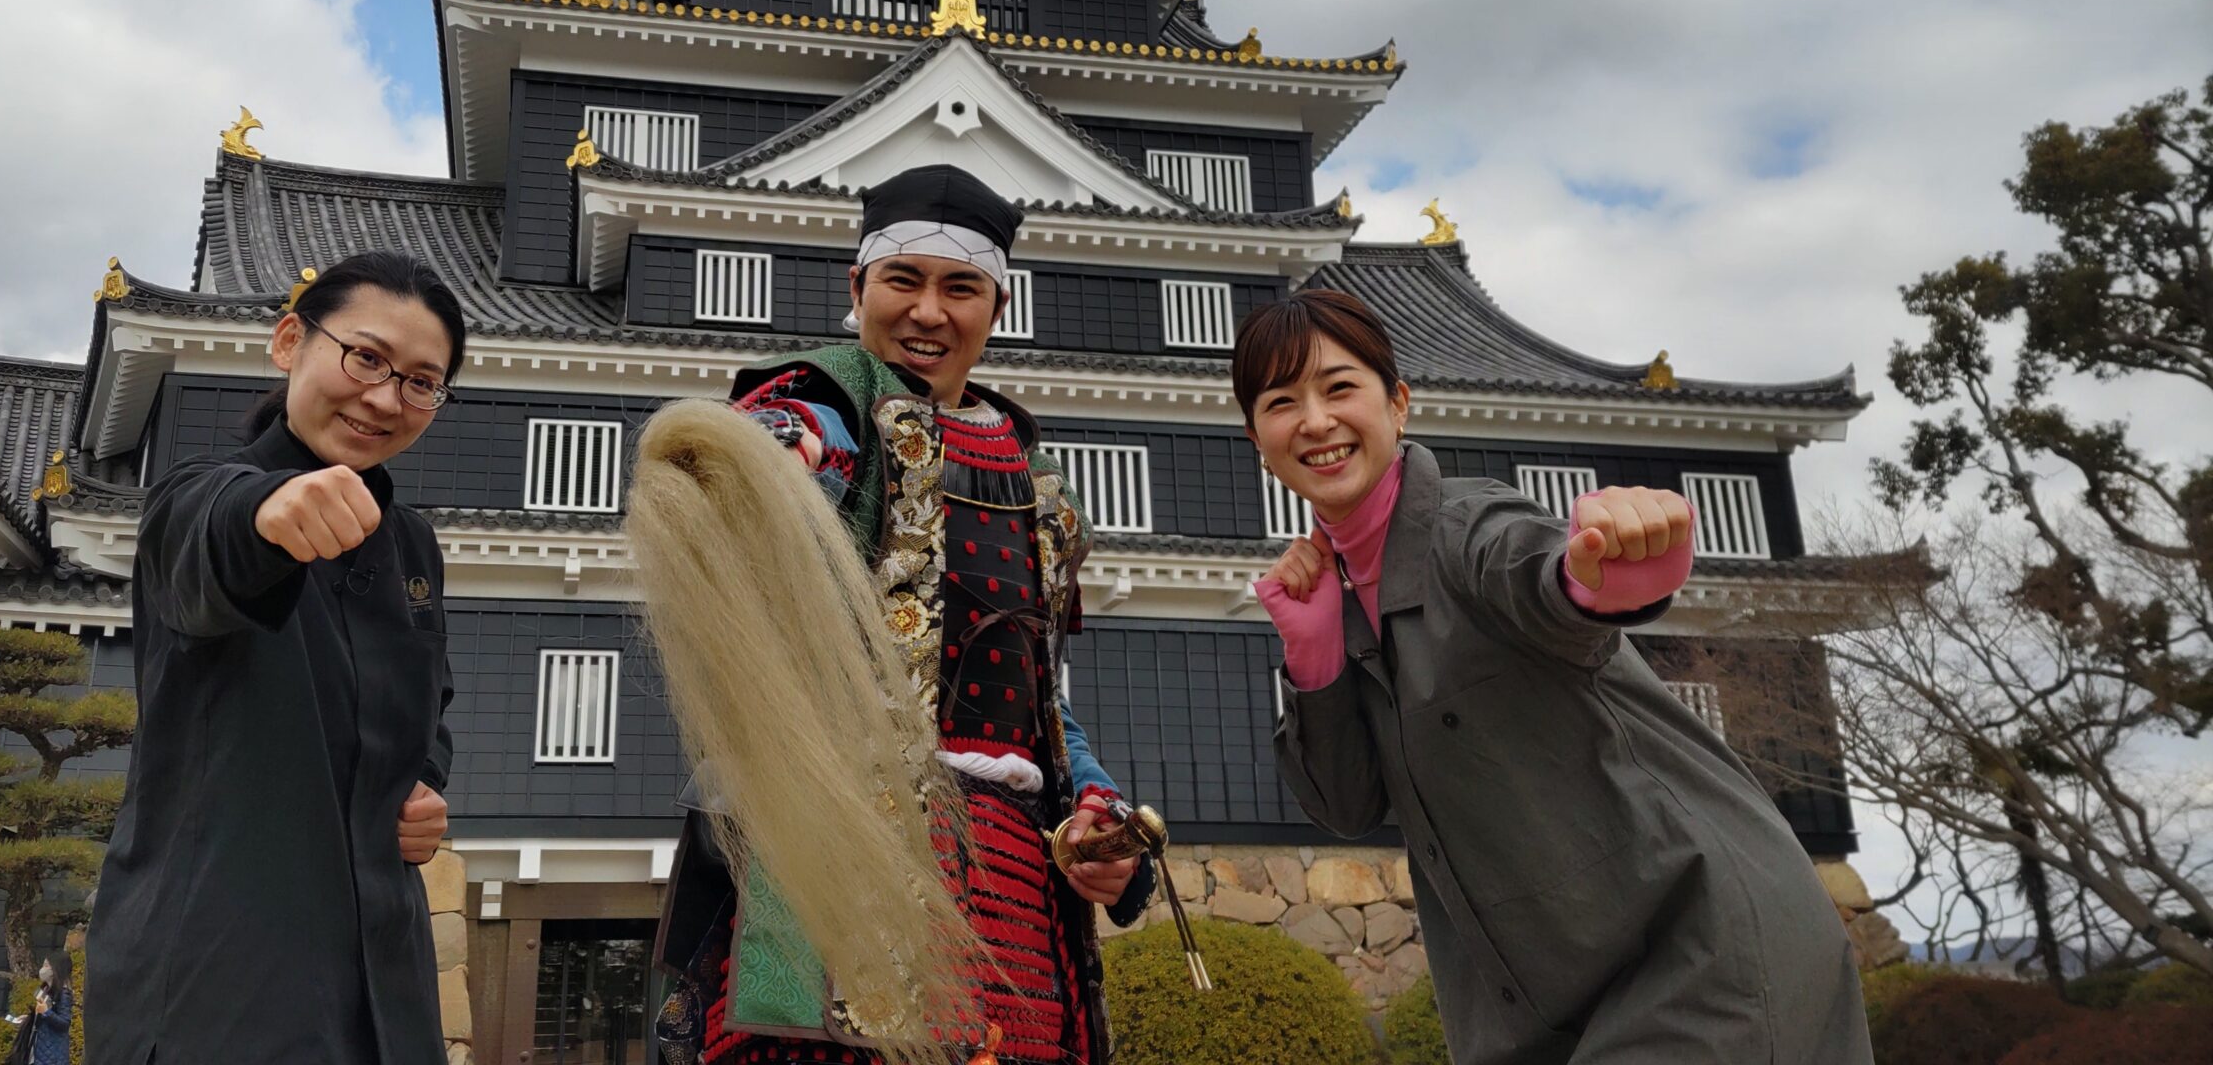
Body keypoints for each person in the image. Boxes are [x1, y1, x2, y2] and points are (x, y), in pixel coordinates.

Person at [1243, 289, 1869, 1063]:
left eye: (1340, 388)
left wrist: (1604, 575)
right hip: (1539, 1004)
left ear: (1398, 405)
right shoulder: (1335, 595)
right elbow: (1346, 806)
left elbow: (1540, 577)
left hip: (1699, 949)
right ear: (1255, 440)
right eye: (1282, 402)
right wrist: (1314, 660)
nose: (1314, 420)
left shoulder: (1467, 527)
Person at [637, 163, 1160, 1065]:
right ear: (858, 288)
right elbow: (776, 450)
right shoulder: (829, 400)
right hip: (842, 847)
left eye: (959, 286)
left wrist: (1095, 814)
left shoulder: (1036, 481)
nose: (928, 312)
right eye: (902, 280)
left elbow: (1035, 696)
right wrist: (765, 463)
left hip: (1014, 886)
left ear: (997, 303)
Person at [87, 251, 466, 1065]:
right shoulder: (197, 495)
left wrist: (424, 784)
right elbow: (206, 543)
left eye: (421, 381)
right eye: (365, 357)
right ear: (291, 341)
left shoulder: (413, 545)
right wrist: (269, 509)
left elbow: (427, 705)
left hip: (385, 980)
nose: (384, 397)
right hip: (221, 979)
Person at [5, 954, 74, 1065]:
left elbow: (65, 1023)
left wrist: (46, 1012)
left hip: (52, 1054)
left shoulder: (63, 994)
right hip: (38, 1048)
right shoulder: (45, 990)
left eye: (46, 966)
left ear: (56, 970)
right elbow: (42, 1016)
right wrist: (30, 1018)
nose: (43, 969)